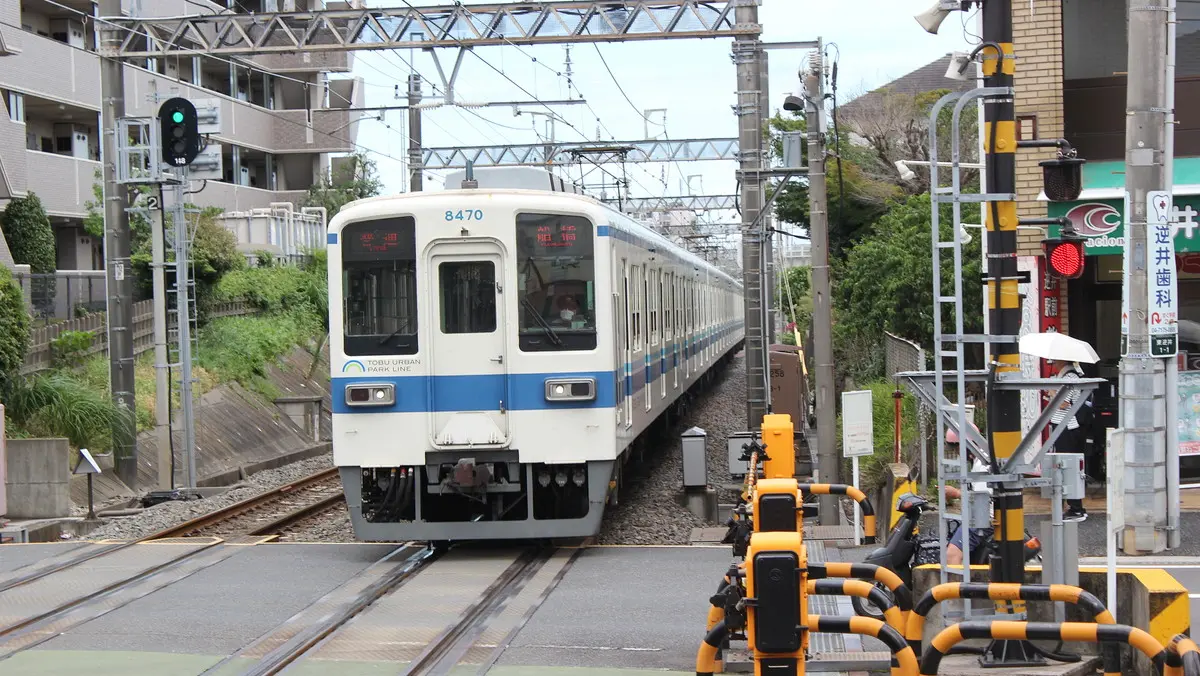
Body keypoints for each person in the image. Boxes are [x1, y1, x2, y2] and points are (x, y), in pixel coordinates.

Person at [943, 425, 994, 565]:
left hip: (983, 520)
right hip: (984, 517)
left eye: (957, 447)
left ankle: (956, 587)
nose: (958, 452)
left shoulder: (982, 464)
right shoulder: (981, 459)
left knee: (952, 555)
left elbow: (982, 500)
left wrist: (957, 493)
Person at [1046, 357, 1089, 522]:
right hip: (1067, 425)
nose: (1054, 363)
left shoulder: (1069, 378)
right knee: (1068, 465)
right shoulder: (1070, 376)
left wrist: (1051, 393)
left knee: (1067, 466)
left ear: (1063, 361)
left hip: (1067, 426)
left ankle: (1075, 507)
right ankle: (1074, 505)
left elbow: (1064, 404)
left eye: (1056, 361)